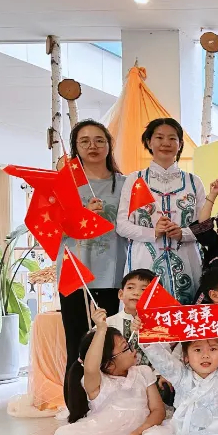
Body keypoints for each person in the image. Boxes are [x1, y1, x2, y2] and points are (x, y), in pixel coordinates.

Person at [48, 307, 169, 435]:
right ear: (108, 364)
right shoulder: (97, 383)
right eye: (125, 348)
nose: (132, 348)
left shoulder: (143, 372)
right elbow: (90, 366)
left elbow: (159, 411)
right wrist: (102, 329)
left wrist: (140, 430)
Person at [58, 119, 128, 377]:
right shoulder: (64, 183)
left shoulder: (125, 184)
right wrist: (82, 215)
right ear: (76, 148)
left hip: (114, 273)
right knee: (77, 343)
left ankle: (110, 406)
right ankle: (77, 408)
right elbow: (52, 228)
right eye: (84, 141)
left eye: (99, 140)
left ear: (109, 146)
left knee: (112, 345)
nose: (93, 146)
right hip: (75, 274)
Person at [117, 117, 206, 305]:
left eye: (172, 138)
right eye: (159, 137)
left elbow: (204, 226)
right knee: (145, 316)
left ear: (180, 144)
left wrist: (184, 233)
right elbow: (122, 226)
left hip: (187, 257)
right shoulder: (134, 180)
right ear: (149, 142)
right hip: (144, 259)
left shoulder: (193, 181)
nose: (166, 143)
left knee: (187, 317)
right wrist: (153, 232)